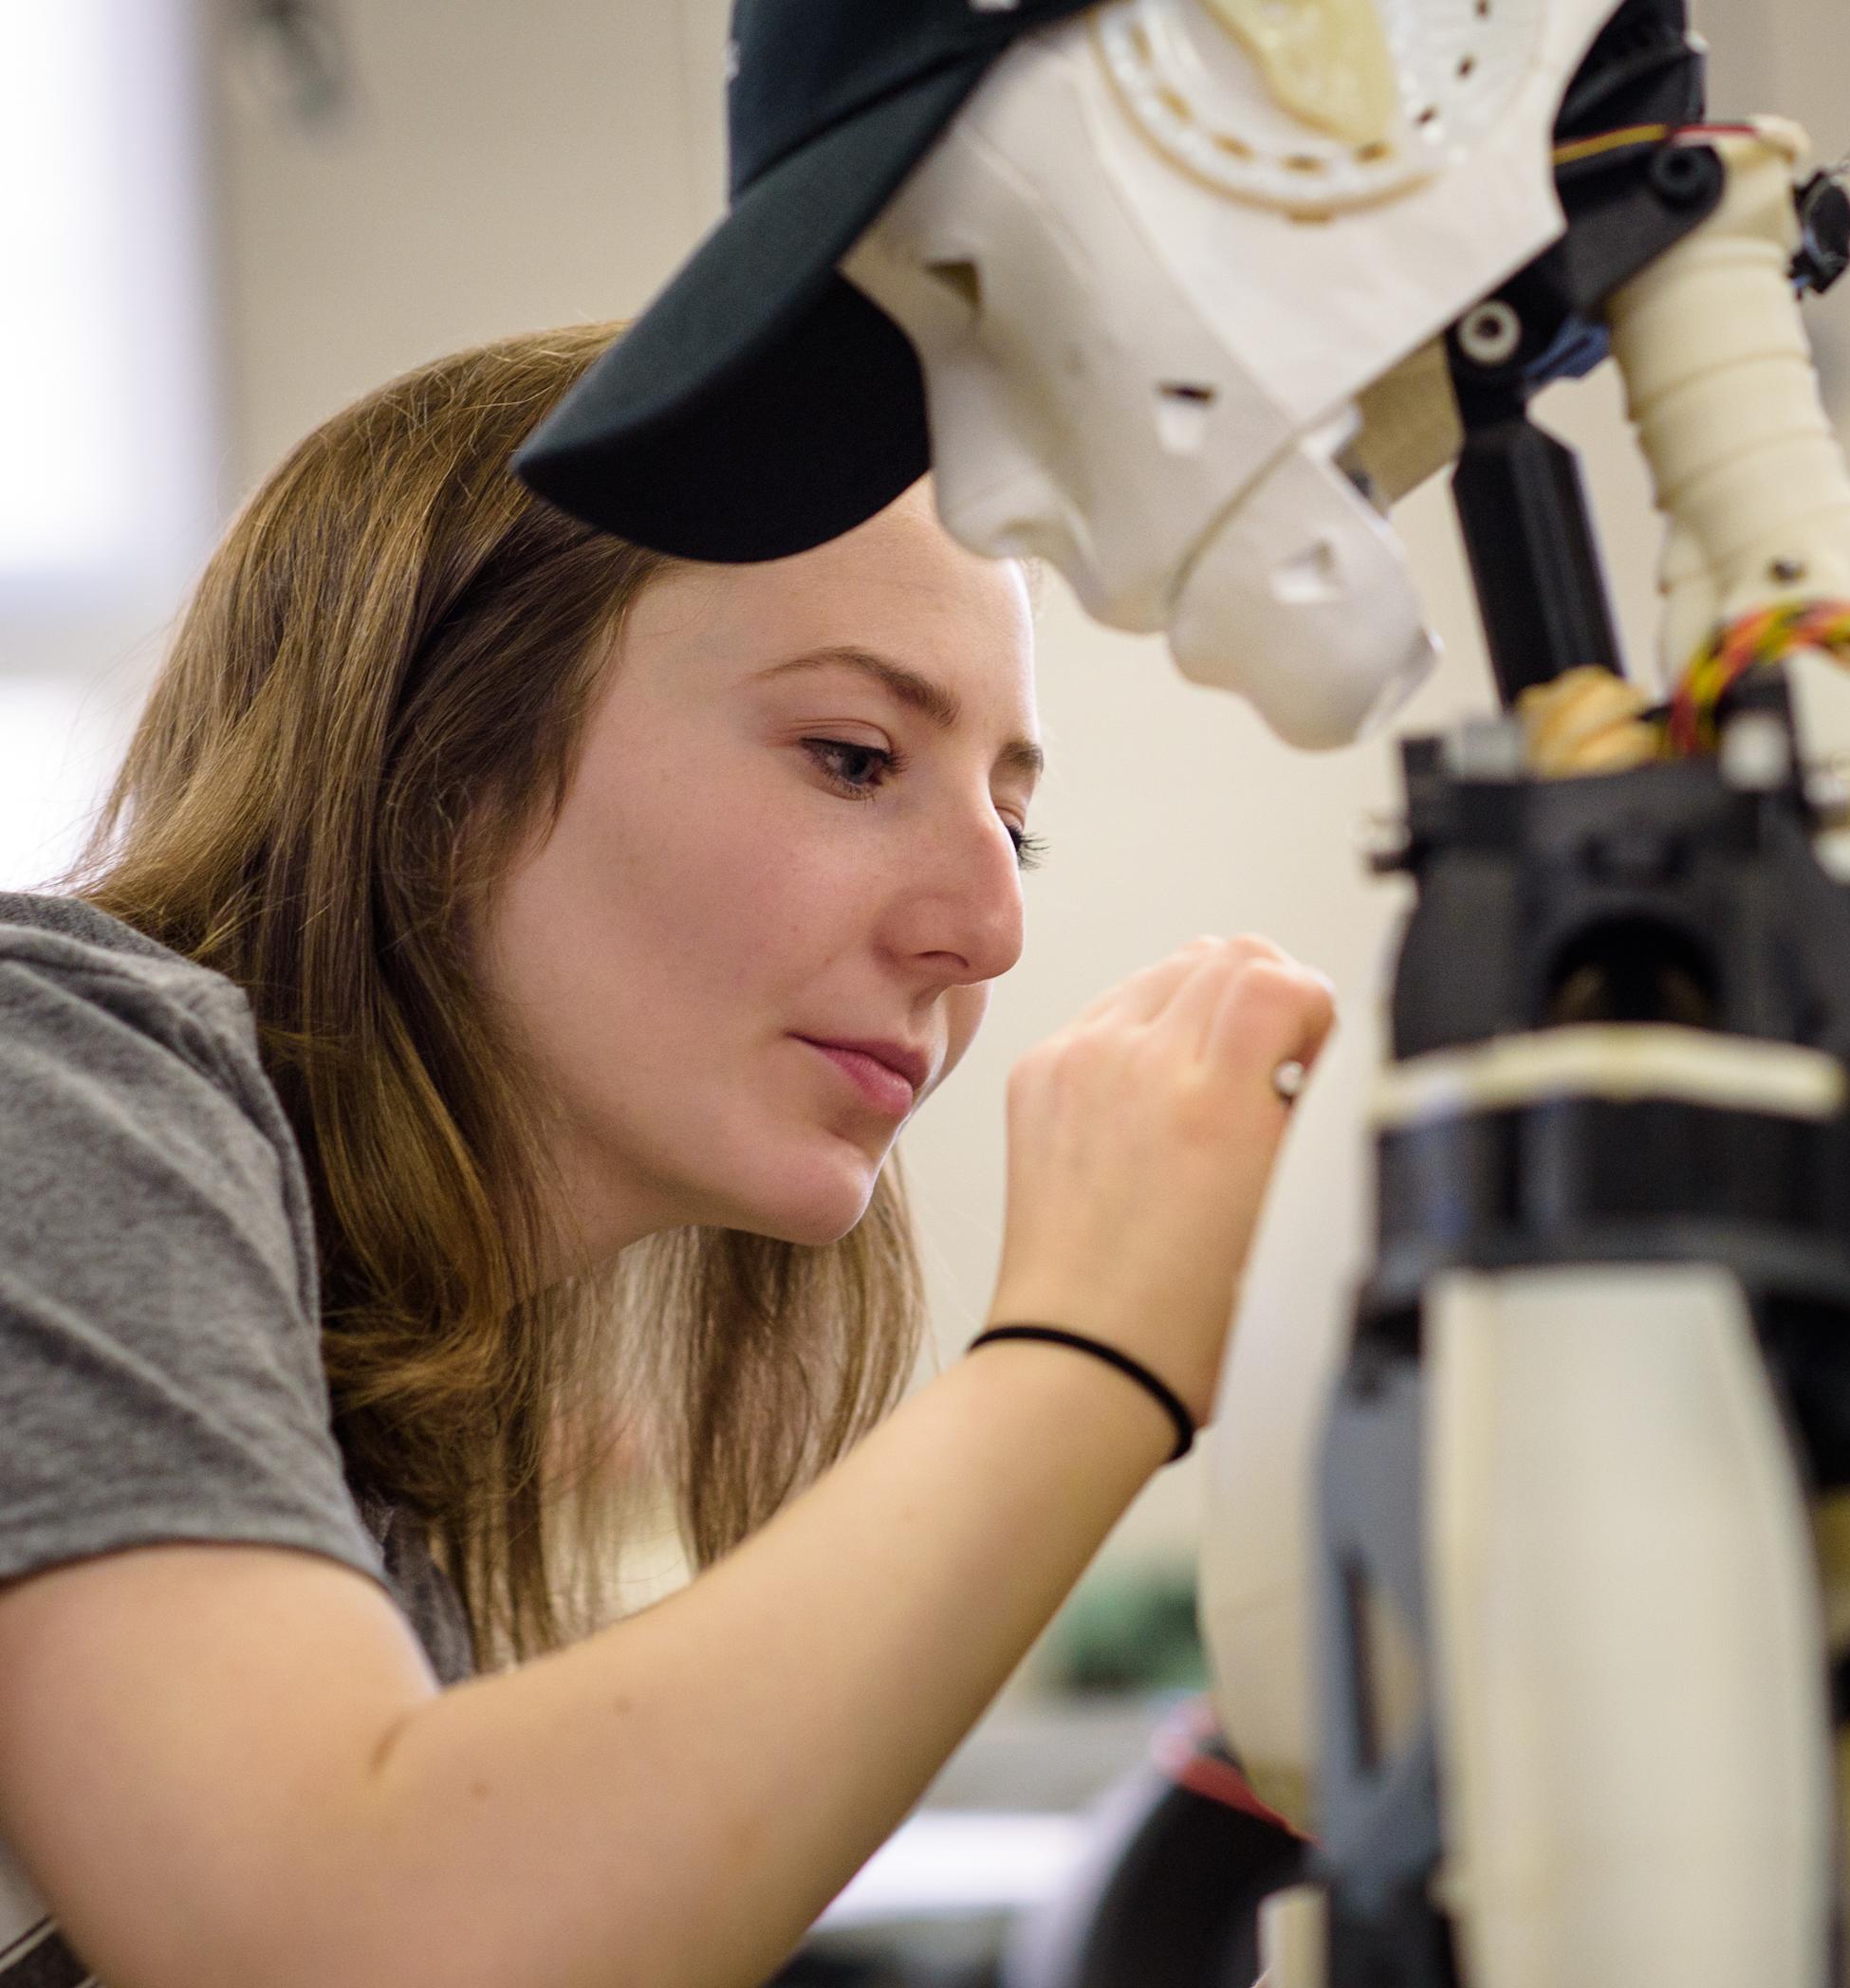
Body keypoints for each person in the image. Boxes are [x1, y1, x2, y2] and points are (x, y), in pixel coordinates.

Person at [0, 322, 1336, 1988]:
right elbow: (346, 1942)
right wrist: (1084, 1352)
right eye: (855, 758)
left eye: (1014, 817)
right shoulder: (37, 1064)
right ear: (442, 759)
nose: (990, 924)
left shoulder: (375, 1500)